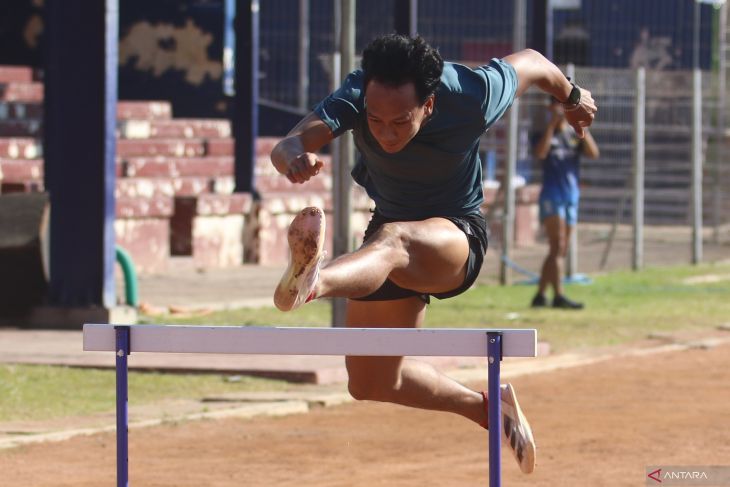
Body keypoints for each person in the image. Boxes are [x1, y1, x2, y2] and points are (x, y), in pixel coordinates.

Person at [270, 34, 597, 475]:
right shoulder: (356, 91)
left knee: (394, 241)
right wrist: (294, 158)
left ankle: (313, 282)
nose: (384, 133)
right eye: (374, 120)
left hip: (455, 237)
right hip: (387, 233)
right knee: (372, 382)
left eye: (399, 122)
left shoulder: (472, 93)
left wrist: (572, 98)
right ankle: (488, 411)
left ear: (429, 105)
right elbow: (286, 144)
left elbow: (535, 63)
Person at [531, 96, 600, 310]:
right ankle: (559, 295)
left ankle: (540, 295)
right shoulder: (542, 132)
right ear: (550, 107)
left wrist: (580, 127)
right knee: (557, 245)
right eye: (557, 105)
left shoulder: (573, 134)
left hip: (571, 195)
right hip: (552, 194)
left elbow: (593, 153)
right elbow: (540, 153)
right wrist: (552, 126)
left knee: (559, 250)